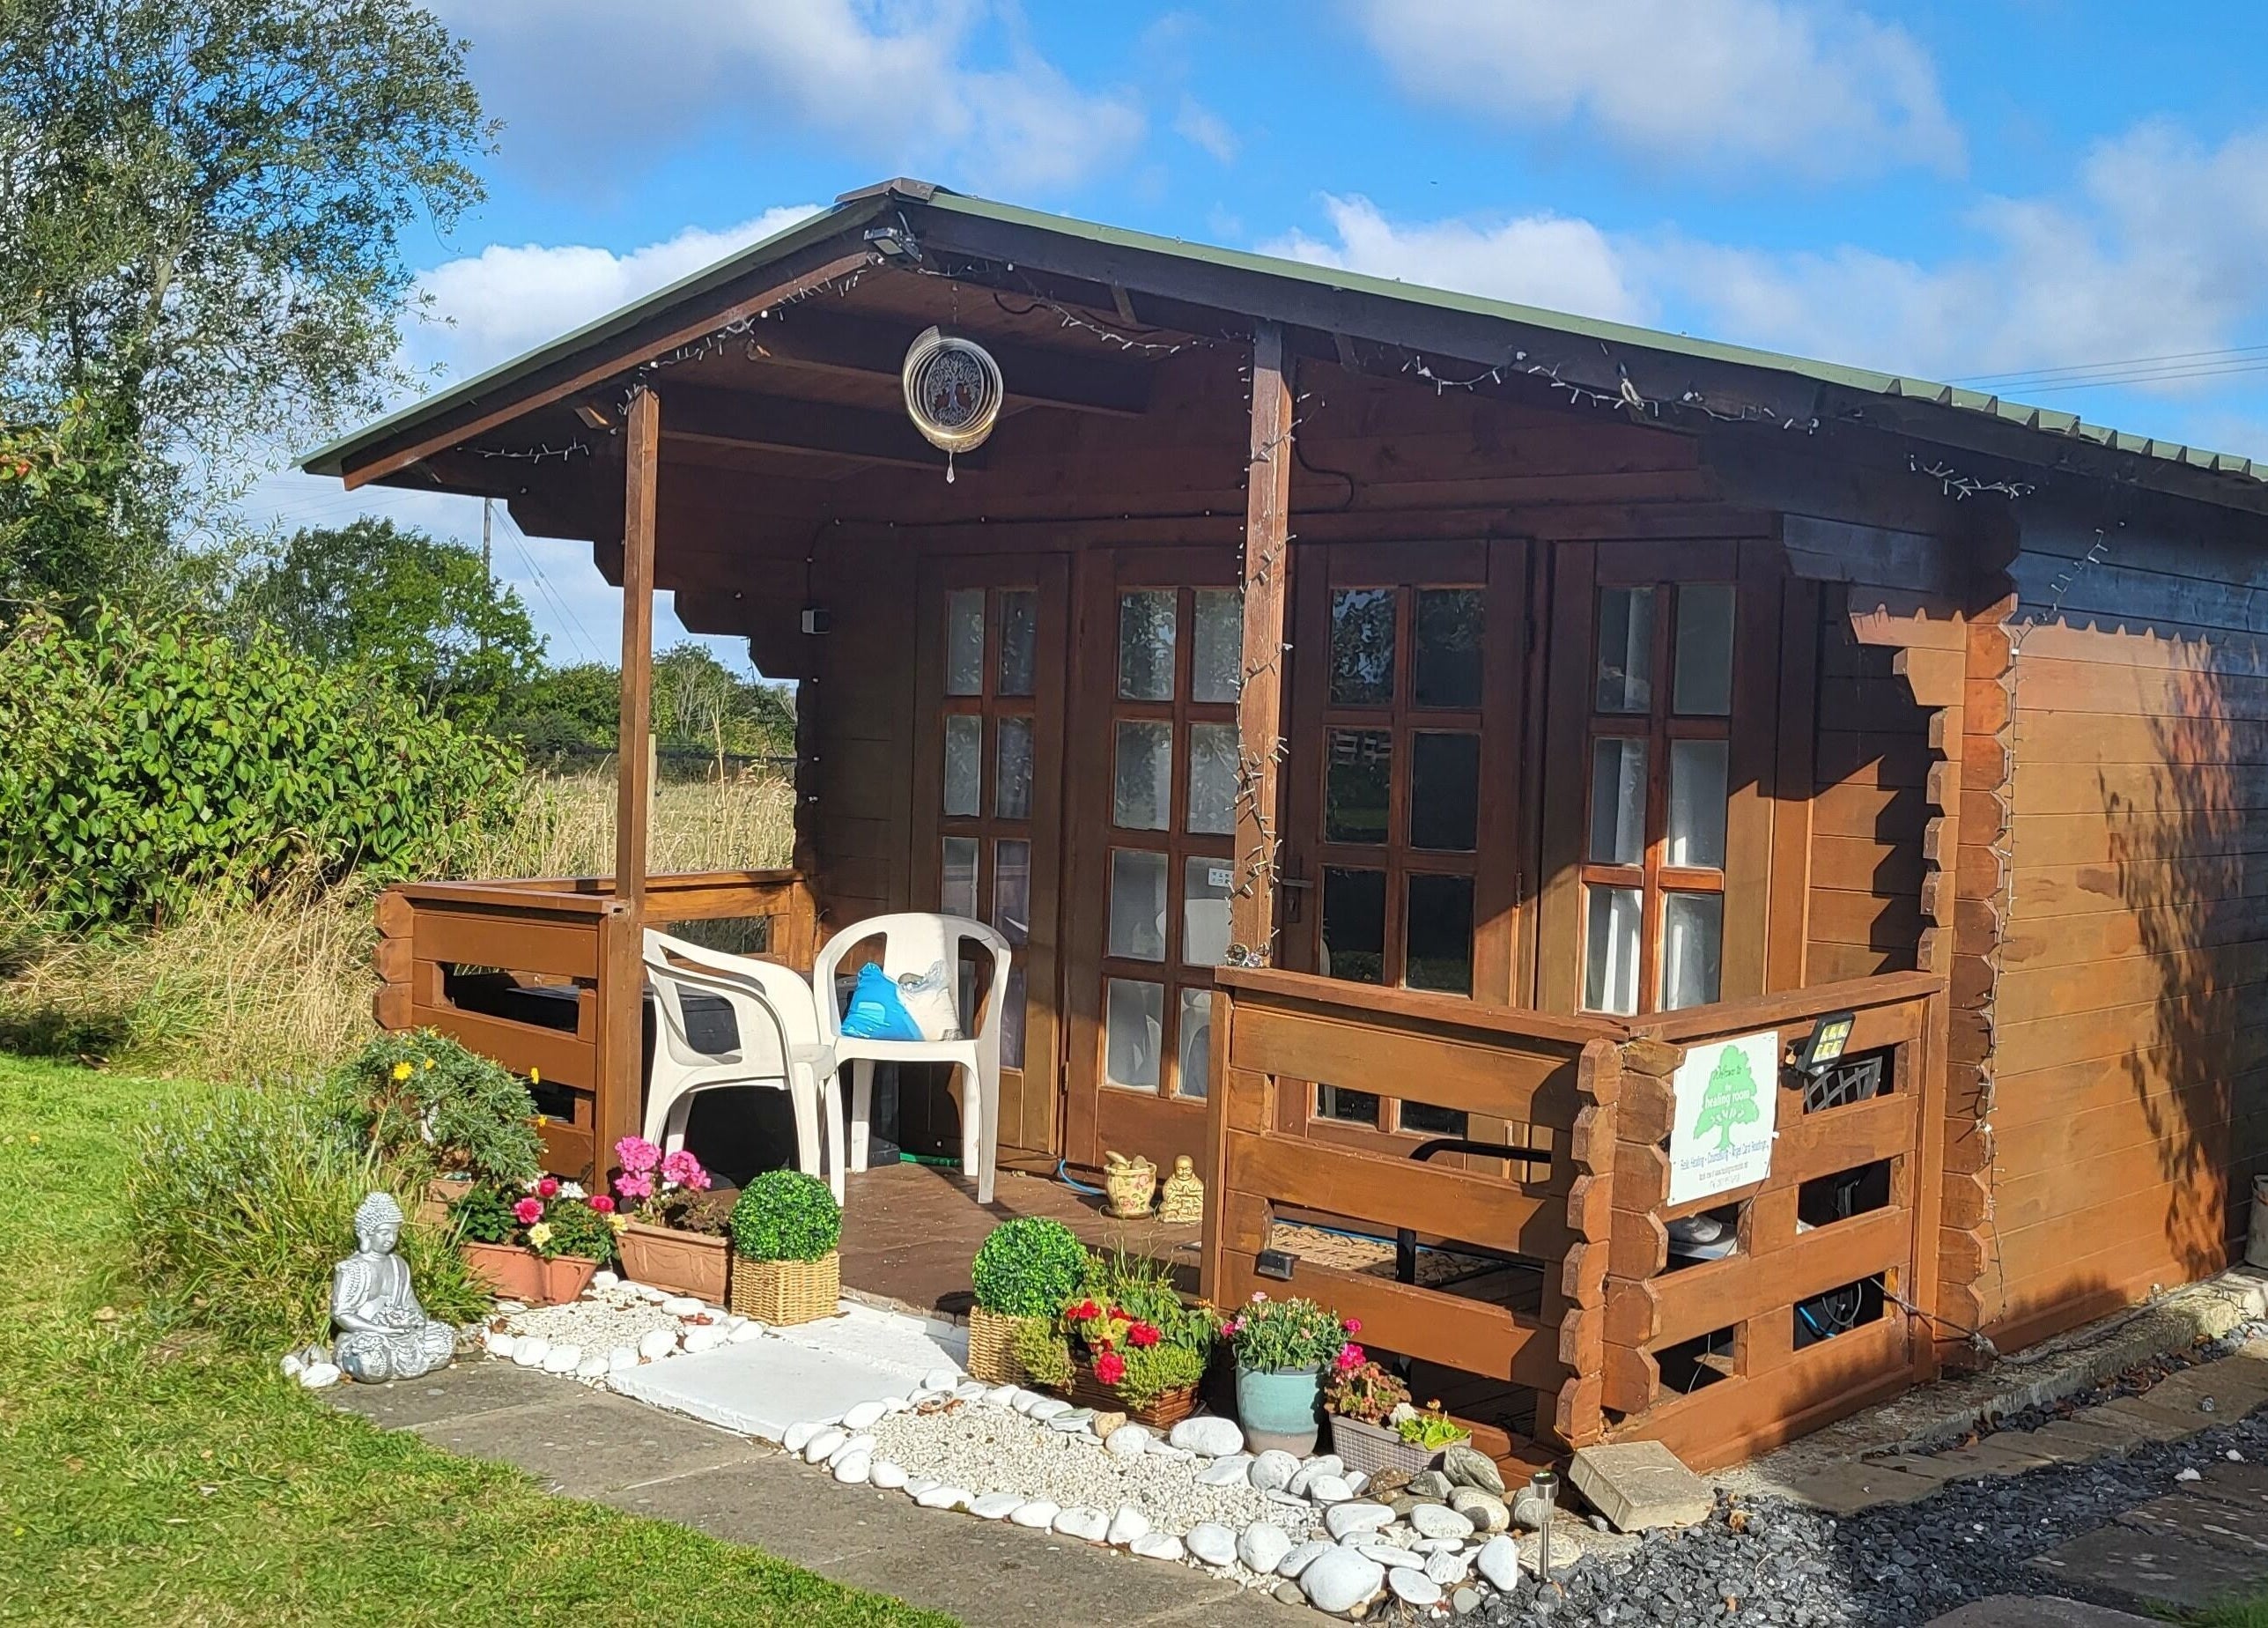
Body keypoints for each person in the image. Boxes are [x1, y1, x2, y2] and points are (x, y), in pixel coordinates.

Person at [330, 1191, 456, 1382]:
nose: (390, 1239)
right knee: (370, 1362)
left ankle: (398, 1359)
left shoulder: (399, 1264)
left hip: (402, 1335)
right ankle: (374, 1362)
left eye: (394, 1232)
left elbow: (410, 1302)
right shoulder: (353, 1268)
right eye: (383, 1232)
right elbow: (341, 1314)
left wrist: (414, 1322)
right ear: (365, 1233)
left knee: (443, 1340)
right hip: (367, 1336)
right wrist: (381, 1331)